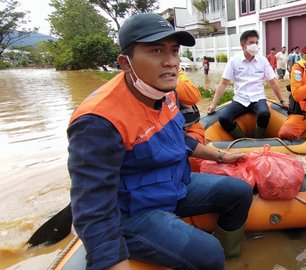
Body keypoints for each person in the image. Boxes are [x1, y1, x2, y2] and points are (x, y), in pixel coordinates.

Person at [67, 13, 253, 270]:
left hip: (173, 185)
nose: (171, 62)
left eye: (174, 51)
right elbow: (93, 208)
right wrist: (111, 260)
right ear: (125, 62)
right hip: (133, 212)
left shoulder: (165, 93)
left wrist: (220, 156)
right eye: (156, 50)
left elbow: (180, 141)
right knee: (209, 253)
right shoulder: (98, 121)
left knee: (239, 192)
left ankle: (234, 259)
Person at [207, 30, 289, 139]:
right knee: (224, 118)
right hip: (240, 99)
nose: (255, 45)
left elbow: (273, 82)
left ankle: (258, 139)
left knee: (264, 113)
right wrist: (213, 104)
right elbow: (223, 84)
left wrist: (282, 100)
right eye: (251, 42)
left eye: (256, 42)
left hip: (258, 98)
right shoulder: (234, 61)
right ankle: (242, 139)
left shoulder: (263, 61)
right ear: (243, 45)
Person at [176, 69, 205, 171]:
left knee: (193, 159)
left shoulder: (175, 75)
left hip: (189, 128)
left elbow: (193, 96)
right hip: (170, 133)